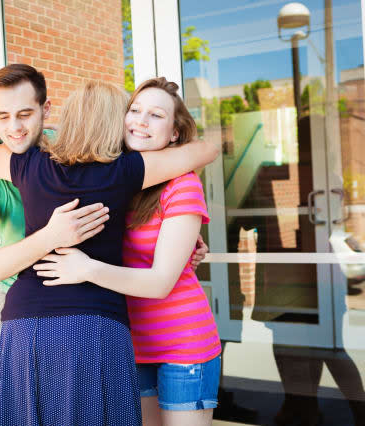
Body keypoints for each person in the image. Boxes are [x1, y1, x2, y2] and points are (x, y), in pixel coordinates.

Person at [0, 77, 220, 425]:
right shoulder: (125, 171)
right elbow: (207, 150)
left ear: (62, 119)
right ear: (116, 123)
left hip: (24, 321)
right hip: (93, 323)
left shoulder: (30, 164)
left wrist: (13, 131)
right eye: (132, 112)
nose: (137, 122)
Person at [34, 78, 222, 426]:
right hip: (129, 342)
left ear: (174, 134)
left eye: (156, 115)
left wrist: (86, 269)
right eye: (134, 110)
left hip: (183, 344)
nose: (140, 121)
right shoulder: (115, 178)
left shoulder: (183, 185)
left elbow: (161, 283)